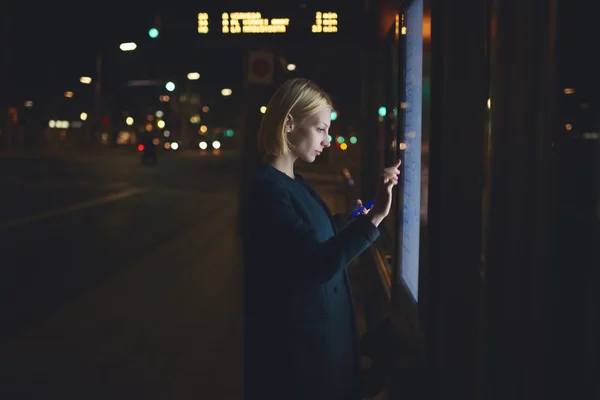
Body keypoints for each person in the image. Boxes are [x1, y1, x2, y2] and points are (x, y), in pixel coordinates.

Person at [239, 78, 400, 400]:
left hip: (313, 347)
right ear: (288, 123)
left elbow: (302, 239)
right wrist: (375, 217)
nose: (328, 140)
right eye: (321, 129)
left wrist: (345, 221)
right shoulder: (266, 189)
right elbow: (315, 264)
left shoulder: (289, 181)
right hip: (300, 361)